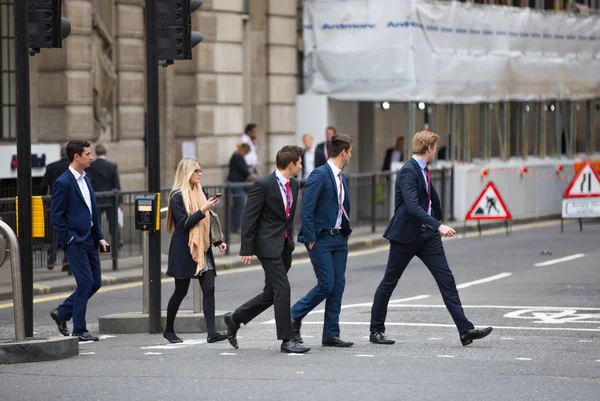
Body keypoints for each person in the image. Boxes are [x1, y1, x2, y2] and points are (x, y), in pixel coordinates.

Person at [369, 130, 493, 346]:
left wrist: (435, 223)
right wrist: (439, 225)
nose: (436, 151)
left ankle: (465, 330)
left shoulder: (423, 169)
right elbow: (412, 206)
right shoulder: (408, 171)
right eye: (435, 148)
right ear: (429, 149)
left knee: (447, 280)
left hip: (427, 236)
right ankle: (376, 331)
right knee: (389, 282)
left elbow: (428, 200)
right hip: (406, 236)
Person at [224, 146, 310, 354]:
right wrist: (247, 248)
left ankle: (235, 319)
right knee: (283, 289)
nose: (301, 165)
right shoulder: (263, 185)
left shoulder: (295, 184)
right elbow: (249, 217)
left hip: (285, 246)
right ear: (291, 164)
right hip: (268, 246)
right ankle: (287, 340)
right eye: (299, 162)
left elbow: (287, 218)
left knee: (271, 293)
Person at [291, 133, 354, 348]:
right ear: (343, 152)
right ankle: (293, 316)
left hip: (339, 239)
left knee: (338, 285)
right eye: (350, 151)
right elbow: (307, 208)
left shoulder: (343, 177)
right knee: (327, 284)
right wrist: (311, 239)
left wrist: (345, 232)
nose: (351, 155)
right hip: (321, 239)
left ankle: (331, 334)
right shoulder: (319, 174)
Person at [49, 140, 109, 342]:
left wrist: (100, 237)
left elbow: (93, 212)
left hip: (91, 240)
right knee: (85, 283)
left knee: (96, 282)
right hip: (75, 241)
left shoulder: (87, 179)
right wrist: (70, 238)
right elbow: (56, 217)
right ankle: (79, 329)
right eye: (88, 154)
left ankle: (62, 312)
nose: (91, 157)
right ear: (77, 157)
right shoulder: (63, 182)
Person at [163, 158, 228, 344]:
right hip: (184, 249)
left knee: (209, 288)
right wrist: (203, 209)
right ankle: (168, 330)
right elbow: (184, 224)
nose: (200, 174)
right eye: (196, 171)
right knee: (180, 291)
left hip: (203, 248)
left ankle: (212, 332)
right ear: (187, 173)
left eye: (200, 171)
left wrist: (218, 242)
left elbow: (207, 221)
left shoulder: (200, 191)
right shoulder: (176, 196)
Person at [40, 142, 70, 271]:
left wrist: (43, 200)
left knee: (55, 232)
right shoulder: (74, 167)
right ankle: (67, 263)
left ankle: (51, 259)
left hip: (55, 203)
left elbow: (43, 186)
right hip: (71, 205)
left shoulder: (51, 167)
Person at [86, 143, 122, 248]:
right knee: (113, 225)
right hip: (111, 199)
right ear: (106, 152)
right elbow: (116, 184)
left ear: (96, 153)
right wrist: (120, 201)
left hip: (96, 199)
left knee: (96, 225)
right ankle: (116, 245)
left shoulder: (90, 166)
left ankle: (96, 246)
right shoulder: (112, 166)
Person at [227, 143, 257, 233]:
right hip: (236, 183)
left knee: (239, 205)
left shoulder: (238, 156)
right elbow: (244, 170)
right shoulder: (237, 157)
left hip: (238, 183)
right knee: (239, 205)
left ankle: (237, 226)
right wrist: (254, 176)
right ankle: (236, 227)